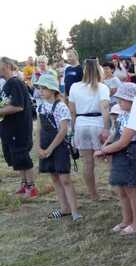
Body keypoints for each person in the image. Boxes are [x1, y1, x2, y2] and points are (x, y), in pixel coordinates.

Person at [94, 83, 136, 234]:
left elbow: (124, 141)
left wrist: (103, 150)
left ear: (133, 101)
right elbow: (114, 133)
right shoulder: (123, 114)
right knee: (122, 190)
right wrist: (106, 144)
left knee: (132, 191)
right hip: (120, 154)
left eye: (122, 99)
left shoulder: (135, 117)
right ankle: (127, 220)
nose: (119, 102)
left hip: (129, 154)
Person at [34, 74, 81, 219]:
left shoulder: (61, 106)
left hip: (59, 147)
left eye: (43, 88)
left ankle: (74, 212)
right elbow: (38, 129)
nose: (40, 91)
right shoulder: (40, 107)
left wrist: (50, 149)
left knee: (65, 178)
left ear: (53, 90)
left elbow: (63, 131)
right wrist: (38, 147)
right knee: (54, 177)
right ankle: (63, 208)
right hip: (45, 145)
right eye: (39, 88)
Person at [68, 59, 111, 200]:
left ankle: (93, 195)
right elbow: (105, 109)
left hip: (81, 125)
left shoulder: (74, 87)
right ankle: (119, 190)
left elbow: (72, 112)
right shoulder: (102, 87)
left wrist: (73, 131)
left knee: (87, 163)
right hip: (97, 123)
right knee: (109, 160)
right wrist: (106, 128)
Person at [0, 57, 37, 198]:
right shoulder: (7, 84)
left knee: (22, 157)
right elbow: (4, 103)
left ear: (7, 66)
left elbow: (18, 106)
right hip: (9, 128)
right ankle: (24, 184)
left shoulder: (15, 83)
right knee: (16, 157)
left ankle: (31, 187)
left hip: (19, 128)